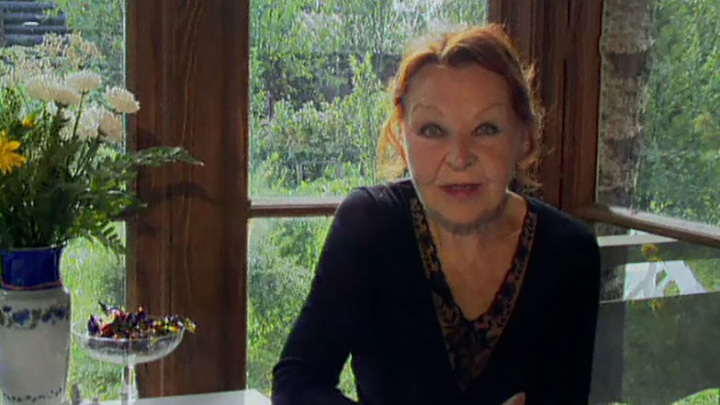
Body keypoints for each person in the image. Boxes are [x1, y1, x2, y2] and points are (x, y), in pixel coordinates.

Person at [271, 23, 601, 405]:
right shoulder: (369, 226)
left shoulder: (568, 253)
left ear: (524, 137)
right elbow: (297, 381)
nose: (459, 157)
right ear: (401, 138)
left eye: (486, 128)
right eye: (432, 130)